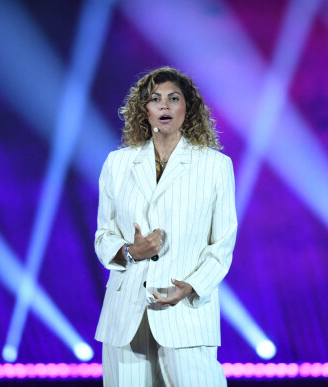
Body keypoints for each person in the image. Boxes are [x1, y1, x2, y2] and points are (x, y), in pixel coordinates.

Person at [94, 66, 237, 386]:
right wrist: (130, 250)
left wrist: (191, 286)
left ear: (189, 108)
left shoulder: (215, 166)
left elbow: (223, 244)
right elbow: (103, 235)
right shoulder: (117, 164)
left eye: (174, 98)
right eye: (155, 99)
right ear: (144, 110)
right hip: (126, 315)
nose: (164, 106)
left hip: (186, 313)